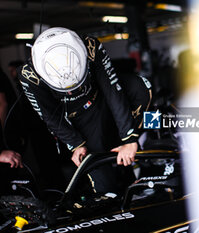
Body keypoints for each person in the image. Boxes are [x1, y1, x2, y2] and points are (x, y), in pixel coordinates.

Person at [19, 27, 152, 193]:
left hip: (103, 100)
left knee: (140, 86)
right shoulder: (29, 74)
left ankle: (134, 147)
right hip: (79, 123)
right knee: (105, 186)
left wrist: (129, 138)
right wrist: (75, 144)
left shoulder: (90, 47)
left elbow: (112, 89)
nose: (70, 92)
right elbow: (49, 116)